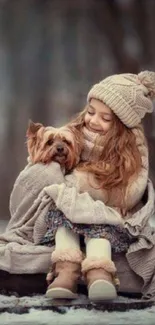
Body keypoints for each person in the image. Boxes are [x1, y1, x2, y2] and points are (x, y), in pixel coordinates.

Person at [0, 71, 155, 301]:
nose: (93, 120)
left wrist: (74, 188)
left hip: (110, 216)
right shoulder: (75, 132)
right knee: (64, 219)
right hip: (67, 215)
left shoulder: (134, 149)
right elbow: (40, 174)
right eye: (91, 112)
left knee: (97, 223)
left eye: (106, 118)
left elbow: (130, 192)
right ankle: (65, 272)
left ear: (122, 124)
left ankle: (100, 274)